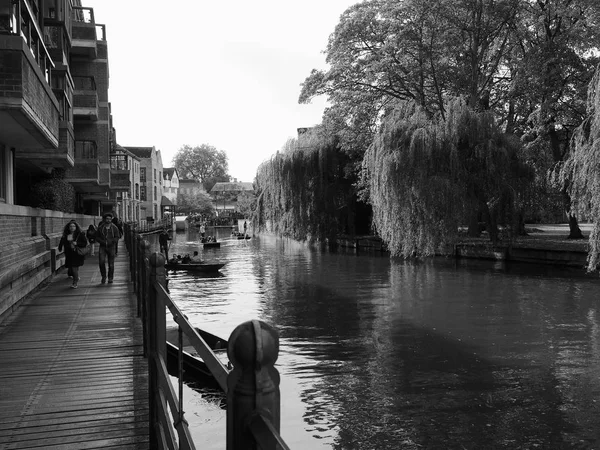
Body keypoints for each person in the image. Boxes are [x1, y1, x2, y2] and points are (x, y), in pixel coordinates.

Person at [58, 220, 88, 289]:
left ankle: (75, 282)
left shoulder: (80, 234)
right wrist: (60, 247)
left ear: (76, 227)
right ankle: (76, 277)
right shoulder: (66, 235)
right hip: (69, 254)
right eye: (70, 226)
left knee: (74, 268)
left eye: (74, 226)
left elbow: (84, 243)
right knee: (73, 268)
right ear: (68, 227)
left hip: (77, 254)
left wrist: (77, 243)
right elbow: (62, 242)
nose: (72, 227)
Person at [95, 212, 121, 284]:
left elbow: (117, 236)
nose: (108, 220)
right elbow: (97, 237)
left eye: (110, 219)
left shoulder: (114, 228)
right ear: (104, 219)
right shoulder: (101, 228)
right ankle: (103, 276)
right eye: (107, 219)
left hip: (111, 247)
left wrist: (113, 241)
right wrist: (102, 242)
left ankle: (110, 278)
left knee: (111, 264)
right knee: (101, 262)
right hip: (103, 246)